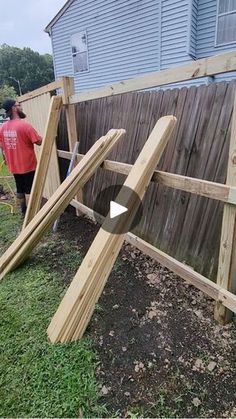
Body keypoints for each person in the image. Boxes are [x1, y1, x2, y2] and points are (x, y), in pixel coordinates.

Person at [0, 98, 42, 215]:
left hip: (14, 165)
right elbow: (38, 141)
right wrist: (49, 136)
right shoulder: (25, 126)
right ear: (14, 108)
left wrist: (6, 157)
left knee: (20, 188)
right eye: (19, 105)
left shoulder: (2, 127)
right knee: (29, 190)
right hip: (27, 165)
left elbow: (2, 144)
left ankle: (23, 211)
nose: (21, 107)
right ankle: (31, 215)